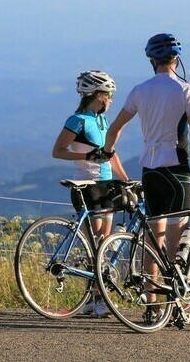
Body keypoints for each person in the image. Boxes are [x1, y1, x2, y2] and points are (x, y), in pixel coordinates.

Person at [102, 33, 190, 324]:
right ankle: (175, 306)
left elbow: (115, 129)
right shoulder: (186, 90)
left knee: (152, 236)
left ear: (152, 61)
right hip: (177, 170)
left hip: (150, 169)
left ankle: (152, 307)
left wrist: (107, 151)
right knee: (173, 239)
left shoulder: (139, 91)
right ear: (176, 59)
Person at [52, 70, 129, 318]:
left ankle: (92, 299)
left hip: (106, 185)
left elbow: (111, 153)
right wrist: (87, 156)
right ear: (98, 95)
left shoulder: (102, 120)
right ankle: (98, 299)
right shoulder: (77, 120)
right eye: (109, 95)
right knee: (96, 245)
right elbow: (58, 151)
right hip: (87, 186)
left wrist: (125, 180)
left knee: (103, 246)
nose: (112, 99)